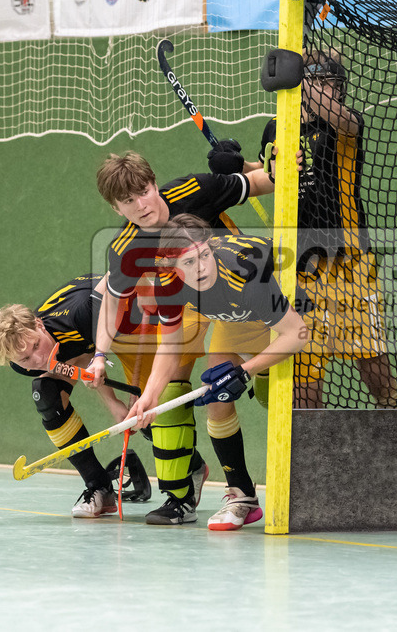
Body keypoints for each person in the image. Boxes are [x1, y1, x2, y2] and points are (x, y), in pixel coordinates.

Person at [87, 150, 276, 525]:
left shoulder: (194, 190)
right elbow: (113, 302)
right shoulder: (126, 250)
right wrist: (100, 357)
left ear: (154, 184)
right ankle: (203, 494)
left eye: (144, 191)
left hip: (249, 290)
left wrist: (249, 166)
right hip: (194, 305)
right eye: (127, 201)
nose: (141, 205)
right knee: (189, 388)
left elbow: (267, 182)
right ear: (116, 209)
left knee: (279, 393)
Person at [126, 214, 310, 530]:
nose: (201, 268)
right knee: (217, 399)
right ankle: (242, 496)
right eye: (188, 262)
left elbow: (297, 333)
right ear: (171, 266)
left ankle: (311, 490)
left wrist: (246, 372)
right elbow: (171, 348)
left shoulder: (244, 273)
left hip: (296, 305)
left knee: (286, 399)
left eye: (204, 256)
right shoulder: (168, 286)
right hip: (239, 316)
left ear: (212, 247)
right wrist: (149, 398)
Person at [259, 49, 397, 409]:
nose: (330, 90)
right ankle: (313, 458)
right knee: (303, 382)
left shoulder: (346, 123)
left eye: (334, 84)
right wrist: (236, 166)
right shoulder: (277, 127)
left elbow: (334, 115)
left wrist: (303, 80)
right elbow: (270, 176)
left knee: (372, 363)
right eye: (322, 81)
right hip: (299, 266)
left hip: (351, 261)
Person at [0, 273, 176, 517]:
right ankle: (99, 487)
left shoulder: (81, 313)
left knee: (148, 409)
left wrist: (122, 398)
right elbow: (84, 359)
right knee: (46, 395)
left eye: (35, 346)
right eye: (25, 359)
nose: (38, 359)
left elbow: (92, 348)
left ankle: (192, 468)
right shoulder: (23, 363)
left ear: (39, 324)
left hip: (126, 311)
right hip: (87, 339)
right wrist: (114, 403)